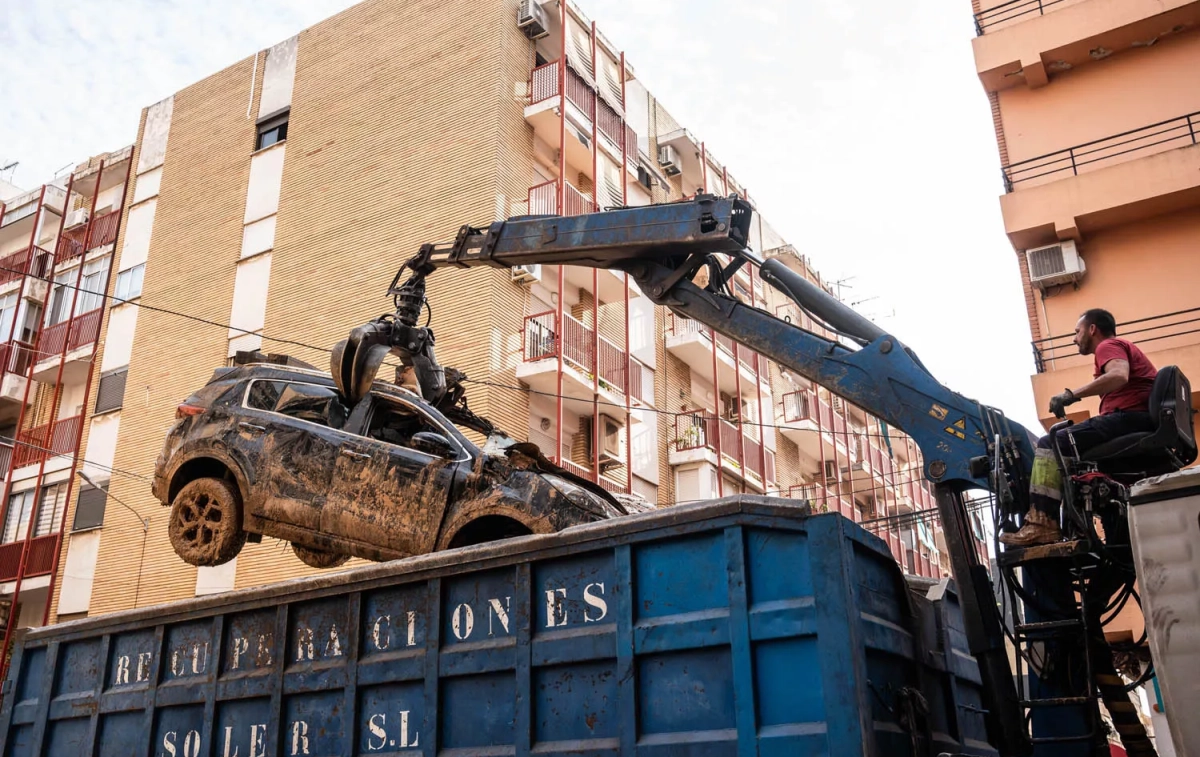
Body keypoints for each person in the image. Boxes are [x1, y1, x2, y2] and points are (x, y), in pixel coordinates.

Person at [1000, 308, 1157, 547]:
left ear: (1092, 329)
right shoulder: (1120, 347)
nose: (1074, 338)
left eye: (1077, 331)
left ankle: (1042, 523)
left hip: (1128, 418)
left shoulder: (1108, 346)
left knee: (1050, 442)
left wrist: (1070, 395)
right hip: (1135, 420)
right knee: (1075, 460)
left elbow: (1119, 375)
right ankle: (1080, 522)